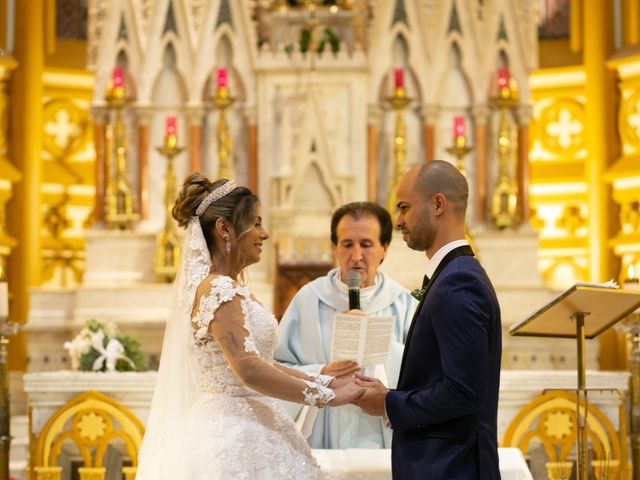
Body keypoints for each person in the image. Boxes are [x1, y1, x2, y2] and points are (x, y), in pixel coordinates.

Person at [136, 175, 364, 480]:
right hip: (232, 437)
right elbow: (249, 368)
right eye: (255, 223)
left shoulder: (225, 288)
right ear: (224, 228)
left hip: (248, 420)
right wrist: (325, 396)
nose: (264, 233)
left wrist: (324, 381)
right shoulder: (219, 290)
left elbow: (261, 363)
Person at [354, 161, 502, 479]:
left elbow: (465, 391)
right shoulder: (453, 275)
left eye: (405, 208)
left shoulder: (458, 281)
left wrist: (389, 403)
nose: (399, 221)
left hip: (451, 468)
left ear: (438, 204)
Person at [274, 201, 417, 448]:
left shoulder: (403, 302)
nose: (356, 256)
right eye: (347, 244)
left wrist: (374, 339)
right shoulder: (309, 299)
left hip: (382, 436)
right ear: (335, 249)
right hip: (321, 433)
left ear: (384, 248)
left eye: (367, 244)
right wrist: (322, 374)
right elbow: (276, 368)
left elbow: (422, 372)